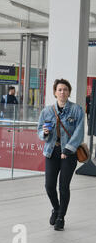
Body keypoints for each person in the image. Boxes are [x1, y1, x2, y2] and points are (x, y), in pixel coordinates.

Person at [37, 78, 84, 231]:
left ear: (69, 92)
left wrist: (68, 149)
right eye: (59, 90)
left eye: (65, 89)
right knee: (49, 186)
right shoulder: (47, 111)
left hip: (69, 153)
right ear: (55, 93)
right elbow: (39, 131)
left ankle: (61, 217)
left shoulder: (77, 110)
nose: (62, 92)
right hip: (51, 151)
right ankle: (56, 209)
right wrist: (43, 133)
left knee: (63, 187)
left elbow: (79, 132)